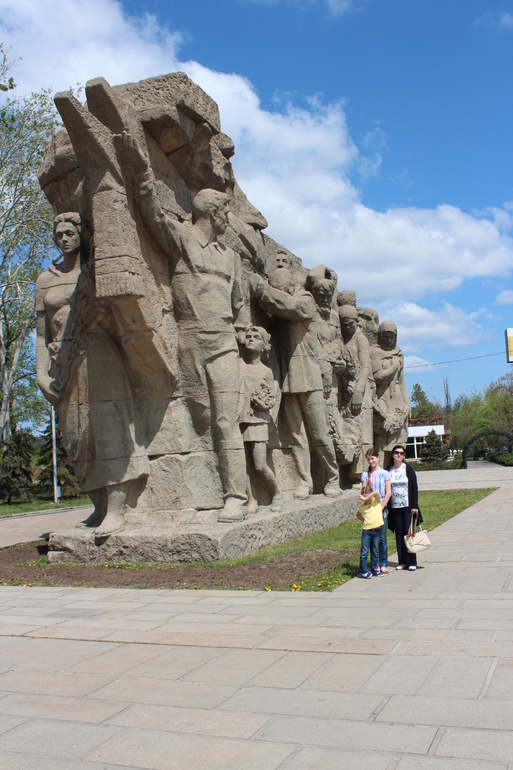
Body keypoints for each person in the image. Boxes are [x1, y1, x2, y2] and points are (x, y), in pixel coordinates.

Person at [114, 130, 250, 522]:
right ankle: (208, 486)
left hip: (223, 343)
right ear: (213, 213)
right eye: (225, 214)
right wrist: (140, 169)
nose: (228, 220)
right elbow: (152, 214)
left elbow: (240, 304)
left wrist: (244, 330)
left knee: (225, 419)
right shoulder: (182, 237)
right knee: (200, 415)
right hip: (190, 339)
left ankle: (236, 496)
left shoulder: (231, 258)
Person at [35, 213, 149, 536]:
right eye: (59, 234)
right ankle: (98, 506)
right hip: (63, 365)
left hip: (99, 353)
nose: (64, 239)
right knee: (76, 437)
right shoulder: (44, 280)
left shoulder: (94, 272)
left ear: (81, 235)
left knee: (108, 427)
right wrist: (40, 374)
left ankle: (116, 507)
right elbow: (41, 336)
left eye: (70, 233)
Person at [249, 264, 341, 499]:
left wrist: (261, 290)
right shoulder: (279, 313)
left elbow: (290, 306)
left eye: (280, 287)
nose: (279, 291)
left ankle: (333, 477)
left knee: (319, 433)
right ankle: (305, 481)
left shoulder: (305, 301)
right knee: (296, 436)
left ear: (289, 286)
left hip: (309, 378)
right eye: (274, 287)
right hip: (288, 381)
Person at [239, 326, 283, 513]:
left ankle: (277, 493)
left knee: (259, 465)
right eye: (248, 336)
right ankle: (251, 500)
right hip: (240, 420)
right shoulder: (239, 366)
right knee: (244, 465)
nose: (250, 339)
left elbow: (270, 399)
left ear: (264, 345)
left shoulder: (266, 371)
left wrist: (262, 404)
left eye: (256, 337)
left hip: (258, 420)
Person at [387, 444, 423, 571]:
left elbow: (414, 487)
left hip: (407, 507)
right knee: (399, 535)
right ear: (393, 455)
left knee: (408, 534)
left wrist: (414, 505)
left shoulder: (408, 469)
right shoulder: (389, 470)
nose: (399, 455)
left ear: (404, 456)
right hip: (395, 507)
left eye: (401, 453)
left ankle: (412, 561)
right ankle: (402, 561)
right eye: (397, 453)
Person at [360, 447, 391, 573]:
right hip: (371, 509)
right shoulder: (365, 475)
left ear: (378, 458)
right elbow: (364, 493)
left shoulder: (384, 473)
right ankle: (374, 564)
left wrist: (382, 507)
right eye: (368, 459)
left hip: (381, 508)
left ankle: (383, 563)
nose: (371, 461)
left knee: (382, 537)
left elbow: (388, 492)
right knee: (372, 538)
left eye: (372, 458)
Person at [357, 484, 384, 579]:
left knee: (375, 551)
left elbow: (376, 492)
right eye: (364, 498)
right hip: (367, 532)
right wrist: (364, 520)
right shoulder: (362, 507)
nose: (367, 500)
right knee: (364, 552)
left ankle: (375, 569)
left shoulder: (376, 501)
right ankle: (363, 571)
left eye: (368, 497)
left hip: (376, 531)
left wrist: (366, 497)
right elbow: (358, 515)